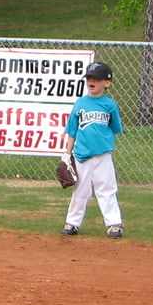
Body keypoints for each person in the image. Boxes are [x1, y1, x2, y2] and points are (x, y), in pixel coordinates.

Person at [61, 61, 125, 239]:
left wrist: (104, 144)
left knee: (107, 190)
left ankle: (114, 224)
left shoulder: (110, 105)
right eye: (89, 78)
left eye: (96, 78)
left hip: (103, 156)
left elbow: (114, 128)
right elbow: (72, 130)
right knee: (80, 191)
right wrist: (68, 152)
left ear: (107, 83)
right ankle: (72, 223)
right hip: (82, 156)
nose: (92, 81)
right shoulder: (80, 103)